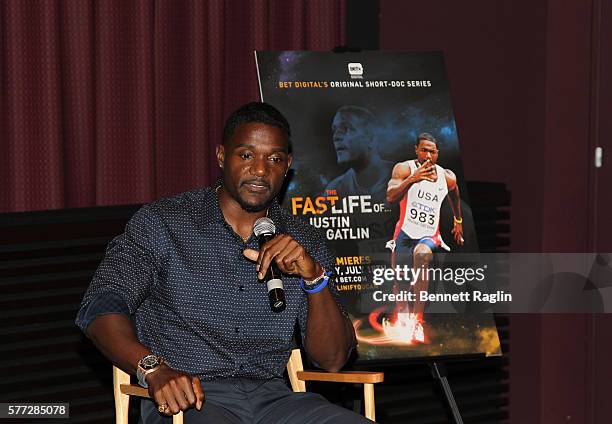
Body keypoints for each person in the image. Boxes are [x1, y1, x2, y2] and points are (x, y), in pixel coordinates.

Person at [75, 102, 370, 423]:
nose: (260, 170)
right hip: (188, 401)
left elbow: (333, 359)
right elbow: (100, 309)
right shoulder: (163, 223)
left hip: (275, 400)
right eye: (246, 155)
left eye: (274, 159)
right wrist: (152, 369)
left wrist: (314, 278)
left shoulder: (303, 240)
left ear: (287, 166)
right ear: (221, 157)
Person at [385, 132, 464, 334]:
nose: (428, 155)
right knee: (401, 283)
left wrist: (458, 220)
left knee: (422, 255)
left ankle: (418, 321)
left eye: (432, 151)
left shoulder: (447, 177)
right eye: (424, 150)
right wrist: (412, 179)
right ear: (416, 150)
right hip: (404, 234)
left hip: (429, 235)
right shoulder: (404, 168)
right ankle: (402, 316)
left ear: (437, 153)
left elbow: (455, 194)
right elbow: (390, 197)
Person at [324, 106, 393, 204]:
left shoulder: (405, 178)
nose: (336, 137)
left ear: (371, 138)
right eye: (334, 130)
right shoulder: (334, 191)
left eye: (345, 128)